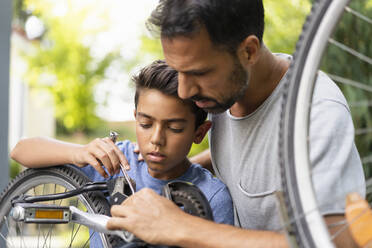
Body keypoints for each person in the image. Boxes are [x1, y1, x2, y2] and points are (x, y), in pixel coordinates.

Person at [105, 0, 366, 247]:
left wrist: (181, 227)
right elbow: (250, 153)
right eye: (179, 71)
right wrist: (174, 168)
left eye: (198, 72)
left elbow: (337, 242)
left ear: (248, 51)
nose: (184, 91)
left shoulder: (316, 113)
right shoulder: (222, 95)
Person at [10, 60, 234, 240]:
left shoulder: (212, 196)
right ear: (135, 117)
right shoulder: (112, 162)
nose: (156, 139)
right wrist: (78, 152)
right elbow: (21, 150)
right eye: (145, 124)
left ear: (199, 132)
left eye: (174, 128)